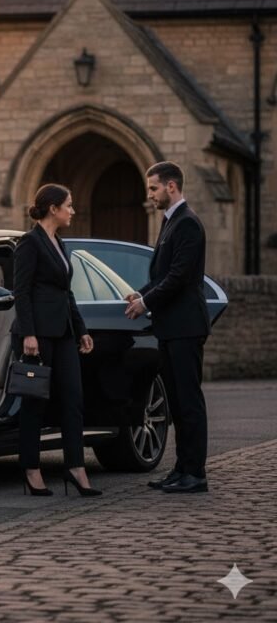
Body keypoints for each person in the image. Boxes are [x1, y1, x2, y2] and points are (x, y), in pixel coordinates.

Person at [125, 161, 211, 494]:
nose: (150, 195)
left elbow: (179, 277)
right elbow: (162, 277)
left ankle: (196, 474)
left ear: (171, 186)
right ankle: (181, 469)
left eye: (153, 188)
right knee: (176, 401)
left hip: (186, 326)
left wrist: (146, 304)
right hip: (170, 327)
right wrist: (141, 294)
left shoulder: (188, 223)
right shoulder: (171, 222)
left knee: (189, 401)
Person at [12, 184, 99, 497]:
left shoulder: (60, 244)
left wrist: (82, 329)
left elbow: (67, 292)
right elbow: (20, 291)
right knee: (35, 401)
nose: (73, 211)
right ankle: (31, 469)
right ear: (53, 208)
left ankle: (76, 467)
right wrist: (29, 333)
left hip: (63, 333)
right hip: (38, 335)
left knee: (74, 399)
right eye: (69, 205)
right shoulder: (29, 243)